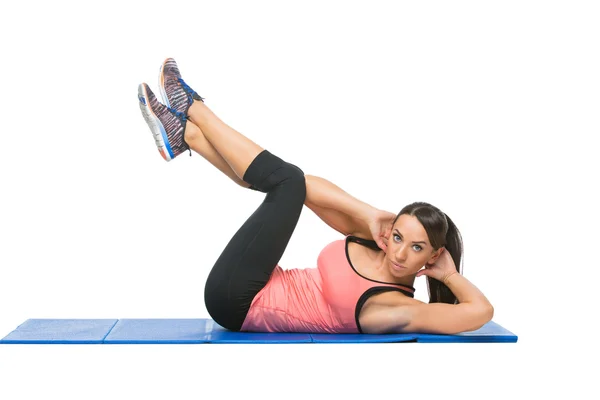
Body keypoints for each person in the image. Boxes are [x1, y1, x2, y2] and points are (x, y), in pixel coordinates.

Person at [137, 58, 494, 335]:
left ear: (433, 256)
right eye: (399, 236)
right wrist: (369, 214)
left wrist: (448, 276)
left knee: (284, 182)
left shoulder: (394, 307)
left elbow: (480, 312)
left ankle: (193, 109)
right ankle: (188, 136)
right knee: (286, 182)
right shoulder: (377, 243)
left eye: (417, 248)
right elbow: (308, 188)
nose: (399, 252)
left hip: (237, 302)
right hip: (256, 280)